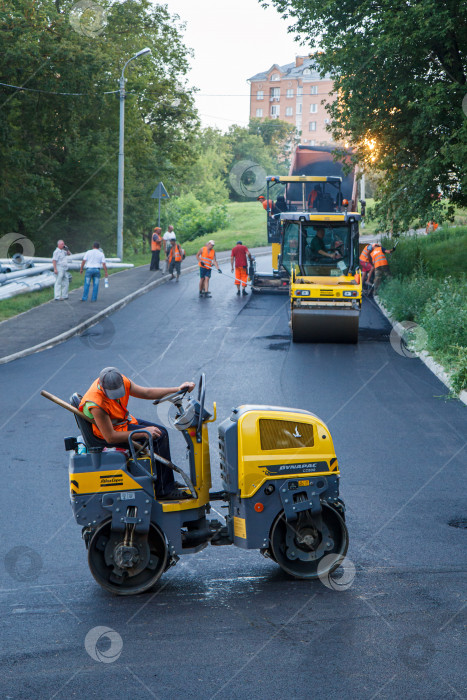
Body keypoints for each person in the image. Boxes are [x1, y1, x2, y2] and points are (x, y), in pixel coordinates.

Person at [79, 367, 195, 500]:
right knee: (157, 437)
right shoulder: (96, 403)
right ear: (103, 388)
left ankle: (165, 482)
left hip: (121, 423)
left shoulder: (121, 380)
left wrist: (177, 389)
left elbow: (146, 392)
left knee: (161, 432)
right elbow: (110, 437)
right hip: (110, 433)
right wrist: (144, 432)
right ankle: (163, 490)